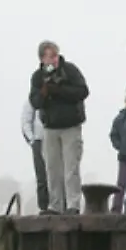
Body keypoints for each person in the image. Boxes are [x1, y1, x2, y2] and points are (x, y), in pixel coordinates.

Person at [28, 40, 89, 215]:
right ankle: (55, 205)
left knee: (71, 168)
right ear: (42, 59)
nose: (54, 60)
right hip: (50, 128)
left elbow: (83, 91)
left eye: (55, 55)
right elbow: (34, 102)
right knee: (52, 169)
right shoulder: (37, 77)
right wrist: (44, 92)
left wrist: (60, 89)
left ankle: (73, 205)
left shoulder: (69, 70)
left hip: (71, 125)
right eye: (50, 57)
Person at [20, 99, 50, 214]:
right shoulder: (32, 100)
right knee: (42, 176)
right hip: (39, 140)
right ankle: (44, 206)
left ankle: (60, 205)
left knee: (58, 175)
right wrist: (32, 140)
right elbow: (26, 121)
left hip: (54, 139)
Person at [109, 96, 126, 213]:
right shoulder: (121, 117)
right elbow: (113, 134)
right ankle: (116, 208)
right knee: (121, 184)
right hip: (124, 156)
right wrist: (120, 146)